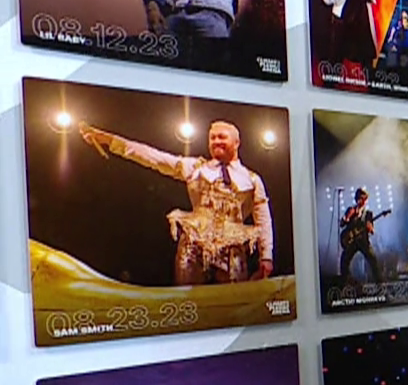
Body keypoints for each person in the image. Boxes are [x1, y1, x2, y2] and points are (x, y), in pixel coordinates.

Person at [77, 119, 275, 284]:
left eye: (222, 137)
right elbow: (152, 157)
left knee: (232, 301)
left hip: (232, 250)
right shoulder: (195, 168)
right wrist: (109, 140)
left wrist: (266, 256)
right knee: (187, 301)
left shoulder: (252, 179)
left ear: (236, 142)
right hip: (194, 246)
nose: (216, 141)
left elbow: (263, 220)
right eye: (212, 138)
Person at [339, 188, 386, 283]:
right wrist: (347, 217)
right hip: (351, 241)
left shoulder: (368, 213)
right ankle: (346, 283)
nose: (362, 201)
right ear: (357, 199)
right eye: (360, 198)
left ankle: (380, 283)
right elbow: (342, 224)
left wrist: (370, 228)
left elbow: (372, 230)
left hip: (363, 241)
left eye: (364, 198)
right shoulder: (351, 210)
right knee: (344, 261)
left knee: (373, 260)